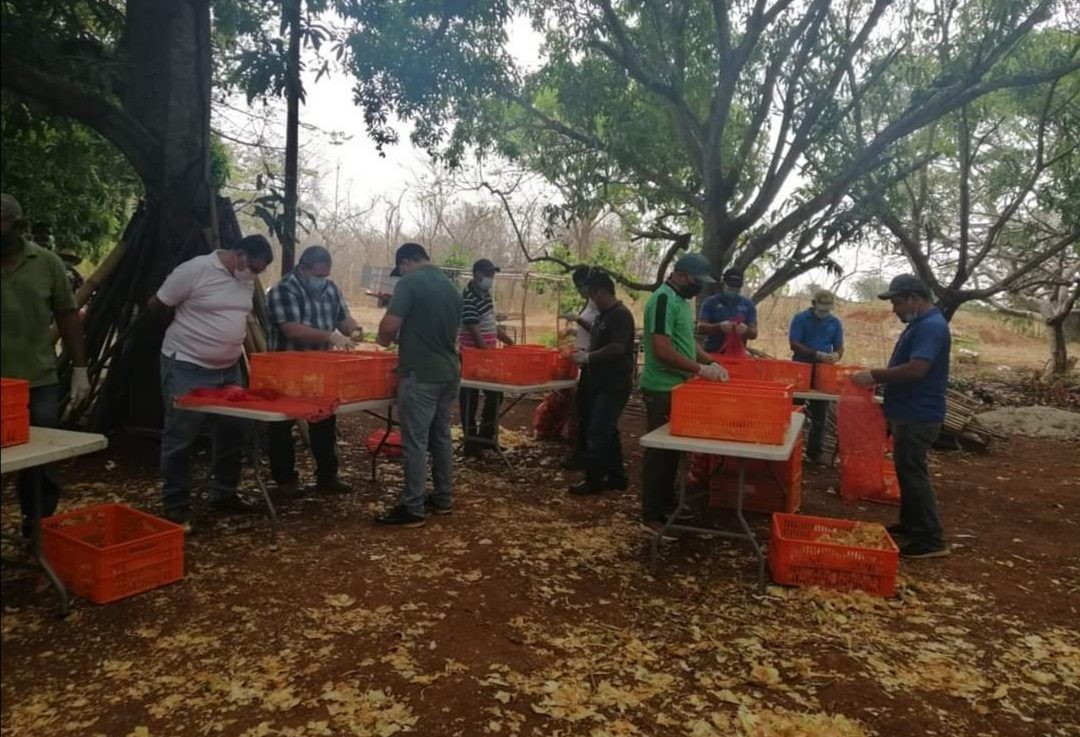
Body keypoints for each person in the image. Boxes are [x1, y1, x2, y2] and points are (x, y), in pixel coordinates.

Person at [150, 235, 274, 526]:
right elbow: (156, 305)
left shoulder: (244, 279)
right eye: (253, 268)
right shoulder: (194, 270)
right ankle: (175, 501)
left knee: (232, 429)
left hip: (228, 367)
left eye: (259, 271)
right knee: (181, 434)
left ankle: (224, 493)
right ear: (239, 254)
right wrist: (191, 335)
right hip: (186, 364)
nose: (254, 275)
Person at [0, 194, 90, 538]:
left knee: (42, 459)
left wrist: (80, 367)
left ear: (18, 227)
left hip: (37, 379)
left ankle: (37, 526)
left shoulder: (47, 263)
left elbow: (67, 316)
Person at [853, 274, 951, 559]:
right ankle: (911, 524)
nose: (894, 309)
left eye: (896, 302)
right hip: (909, 410)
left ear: (913, 299)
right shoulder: (921, 324)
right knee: (906, 472)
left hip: (918, 413)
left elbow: (916, 369)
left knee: (912, 474)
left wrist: (875, 375)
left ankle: (931, 538)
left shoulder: (931, 326)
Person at [375, 243, 463, 527]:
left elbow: (389, 327)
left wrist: (382, 340)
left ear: (404, 263)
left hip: (421, 374)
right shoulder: (450, 286)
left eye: (400, 270)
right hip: (448, 371)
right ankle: (443, 497)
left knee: (415, 442)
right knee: (441, 437)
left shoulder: (409, 282)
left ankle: (412, 507)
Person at [640, 252, 729, 532]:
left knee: (671, 454)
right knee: (659, 454)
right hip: (662, 387)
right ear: (679, 275)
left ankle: (668, 506)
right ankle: (651, 515)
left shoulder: (680, 301)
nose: (698, 286)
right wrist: (699, 370)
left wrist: (710, 361)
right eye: (695, 280)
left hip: (677, 387)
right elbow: (663, 349)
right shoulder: (664, 299)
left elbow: (685, 342)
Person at [266, 245, 361, 495]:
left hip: (322, 368)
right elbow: (292, 330)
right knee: (281, 424)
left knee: (325, 419)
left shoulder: (330, 289)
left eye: (325, 276)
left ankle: (327, 476)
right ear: (303, 268)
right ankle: (285, 479)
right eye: (318, 275)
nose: (322, 281)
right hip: (287, 367)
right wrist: (331, 336)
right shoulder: (283, 290)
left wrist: (354, 331)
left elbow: (343, 318)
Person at [567, 271, 635, 495]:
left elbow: (618, 347)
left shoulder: (620, 315)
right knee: (607, 430)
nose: (592, 300)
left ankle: (593, 480)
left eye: (593, 295)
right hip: (597, 379)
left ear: (602, 292)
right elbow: (598, 339)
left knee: (597, 430)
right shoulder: (603, 316)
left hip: (613, 382)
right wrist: (584, 352)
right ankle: (616, 476)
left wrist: (589, 357)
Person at [458, 258, 515, 456]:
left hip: (486, 355)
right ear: (478, 275)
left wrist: (507, 340)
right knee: (469, 398)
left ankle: (486, 437)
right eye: (489, 275)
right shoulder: (468, 298)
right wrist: (489, 355)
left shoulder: (485, 294)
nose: (492, 279)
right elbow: (475, 332)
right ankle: (471, 442)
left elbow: (489, 324)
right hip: (473, 356)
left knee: (495, 395)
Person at [789, 289, 844, 463]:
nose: (824, 313)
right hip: (801, 367)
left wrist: (836, 355)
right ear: (814, 304)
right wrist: (816, 354)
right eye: (822, 308)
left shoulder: (834, 323)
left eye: (828, 309)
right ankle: (790, 448)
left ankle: (814, 453)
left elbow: (839, 347)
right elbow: (794, 344)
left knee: (820, 415)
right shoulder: (800, 319)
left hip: (824, 371)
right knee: (793, 411)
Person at [560, 265, 600, 468]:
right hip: (583, 358)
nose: (579, 291)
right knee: (582, 408)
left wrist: (578, 319)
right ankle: (582, 450)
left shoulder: (600, 303)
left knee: (587, 410)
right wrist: (573, 333)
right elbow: (588, 332)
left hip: (592, 360)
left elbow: (598, 330)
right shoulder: (589, 303)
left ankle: (586, 454)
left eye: (579, 286)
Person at [697, 268, 758, 354]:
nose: (733, 290)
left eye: (736, 288)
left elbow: (754, 333)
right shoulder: (710, 302)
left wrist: (746, 330)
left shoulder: (748, 305)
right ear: (723, 285)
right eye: (730, 287)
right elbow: (700, 328)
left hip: (737, 353)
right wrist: (718, 327)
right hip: (712, 352)